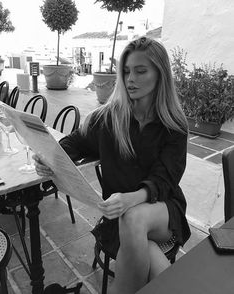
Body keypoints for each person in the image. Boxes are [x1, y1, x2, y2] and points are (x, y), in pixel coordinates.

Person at [33, 36, 191, 294]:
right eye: (127, 71)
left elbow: (166, 178)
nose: (131, 79)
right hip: (117, 214)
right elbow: (73, 143)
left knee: (134, 215)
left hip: (161, 208)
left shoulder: (173, 124)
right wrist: (49, 158)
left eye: (141, 71)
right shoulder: (109, 119)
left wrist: (132, 198)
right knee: (139, 235)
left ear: (160, 75)